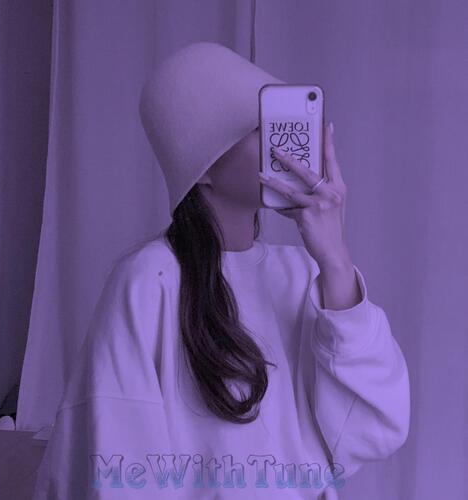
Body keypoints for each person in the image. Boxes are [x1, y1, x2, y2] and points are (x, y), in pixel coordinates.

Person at [32, 42, 410, 500]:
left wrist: (336, 261)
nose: (283, 143)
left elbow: (375, 428)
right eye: (260, 127)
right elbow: (119, 462)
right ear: (203, 167)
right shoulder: (151, 281)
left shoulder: (303, 273)